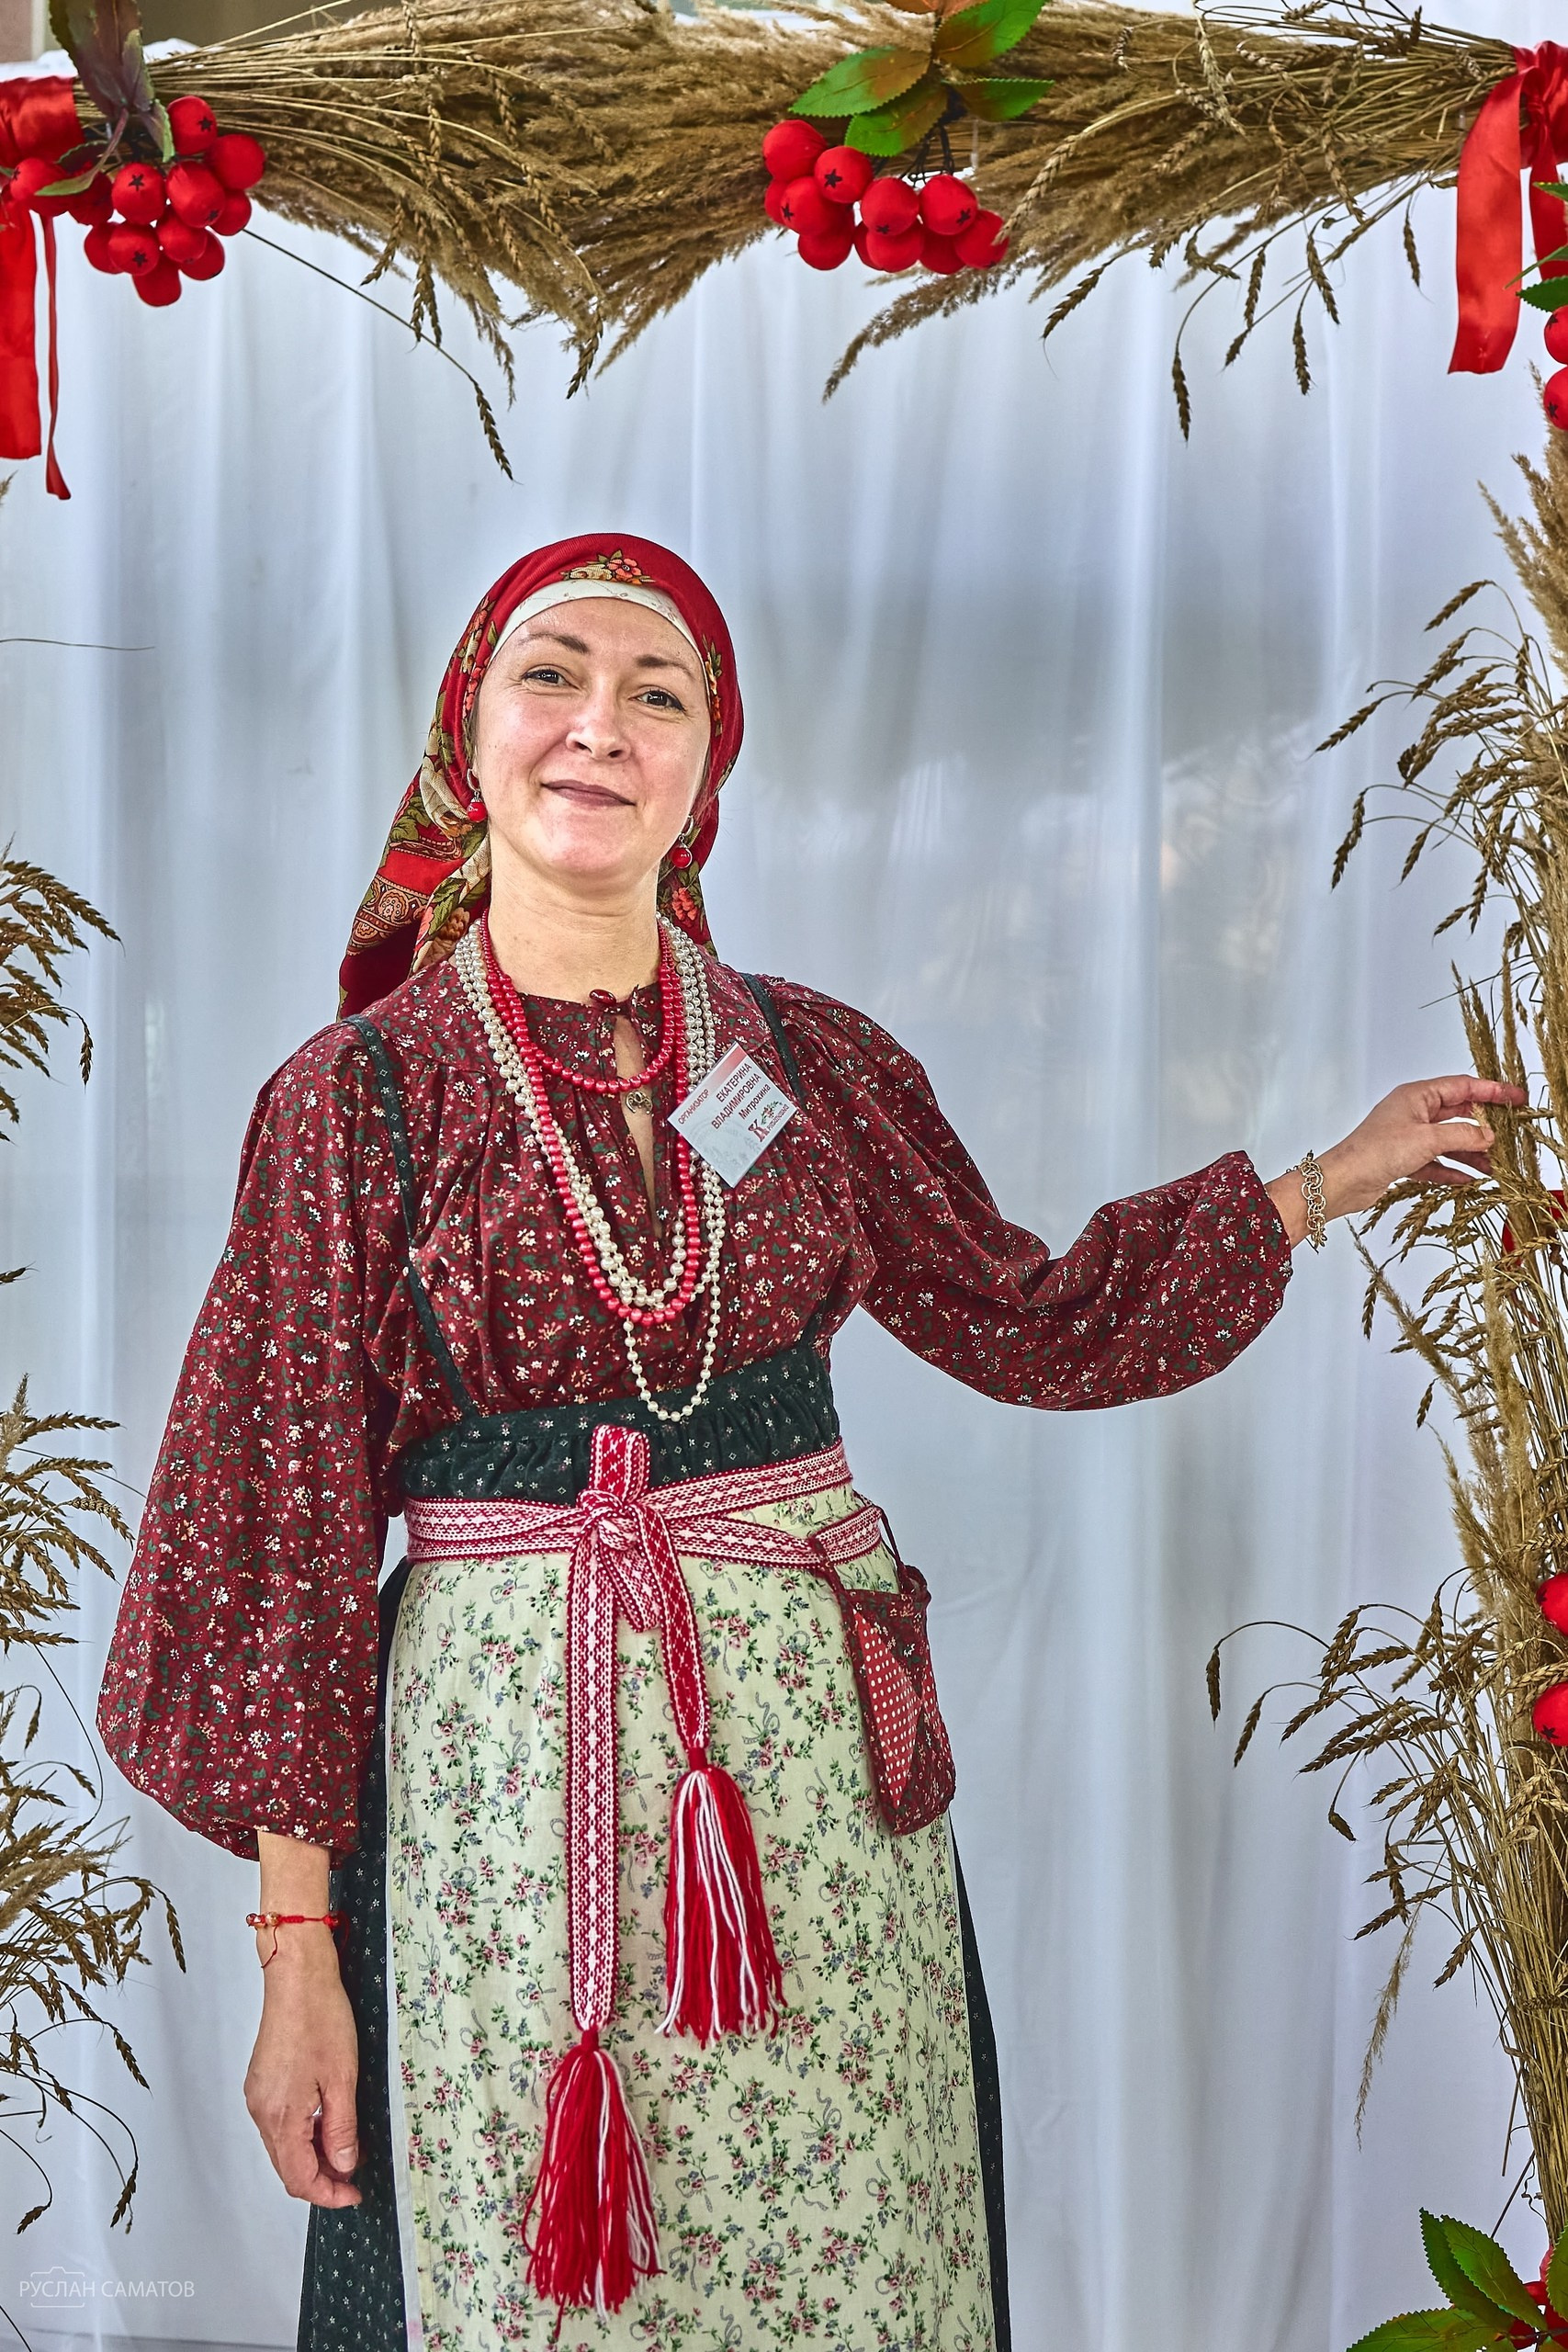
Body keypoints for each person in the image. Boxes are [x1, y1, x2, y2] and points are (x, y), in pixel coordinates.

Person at [96, 535, 1519, 2352]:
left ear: (706, 766)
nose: (599, 725)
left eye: (658, 694)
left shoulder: (798, 1061)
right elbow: (279, 1534)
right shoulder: (356, 1096)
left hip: (812, 1794)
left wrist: (1327, 1177)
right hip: (499, 1794)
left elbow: (1026, 1312)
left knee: (853, 2248)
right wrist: (296, 1957)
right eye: (552, 675)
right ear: (467, 731)